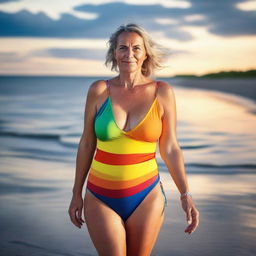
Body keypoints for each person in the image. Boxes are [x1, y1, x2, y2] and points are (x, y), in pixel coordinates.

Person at [68, 23, 200, 256]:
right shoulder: (99, 90)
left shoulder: (163, 92)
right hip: (100, 195)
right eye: (123, 48)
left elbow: (170, 147)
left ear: (145, 53)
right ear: (114, 53)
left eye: (136, 48)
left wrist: (185, 194)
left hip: (146, 195)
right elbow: (87, 143)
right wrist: (76, 193)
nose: (129, 54)